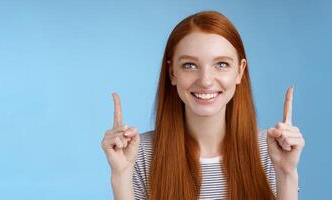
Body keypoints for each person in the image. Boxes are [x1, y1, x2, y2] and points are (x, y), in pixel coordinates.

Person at [101, 10, 305, 200]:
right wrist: (121, 175)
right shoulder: (140, 153)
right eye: (190, 65)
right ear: (172, 73)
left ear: (240, 71)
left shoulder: (269, 150)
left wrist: (286, 174)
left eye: (221, 64)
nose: (206, 80)